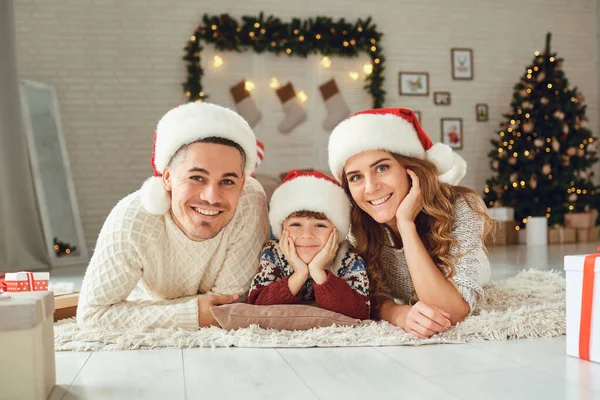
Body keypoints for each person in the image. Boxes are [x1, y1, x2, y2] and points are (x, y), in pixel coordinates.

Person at [77, 102, 270, 330]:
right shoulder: (132, 220)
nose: (211, 197)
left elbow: (229, 303)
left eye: (227, 181)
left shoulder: (249, 201)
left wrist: (143, 311)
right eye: (197, 177)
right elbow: (92, 314)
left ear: (242, 184)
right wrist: (192, 314)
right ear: (167, 177)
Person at [328, 108, 493, 338]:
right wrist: (399, 314)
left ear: (410, 169)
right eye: (356, 177)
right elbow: (369, 296)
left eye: (382, 168)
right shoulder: (358, 225)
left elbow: (451, 312)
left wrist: (406, 225)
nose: (370, 187)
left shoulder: (461, 206)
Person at [248, 170, 370, 320]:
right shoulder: (273, 252)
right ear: (281, 228)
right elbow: (257, 305)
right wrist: (299, 274)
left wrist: (318, 271)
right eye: (296, 224)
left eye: (320, 225)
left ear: (337, 231)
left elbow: (359, 312)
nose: (307, 234)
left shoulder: (348, 258)